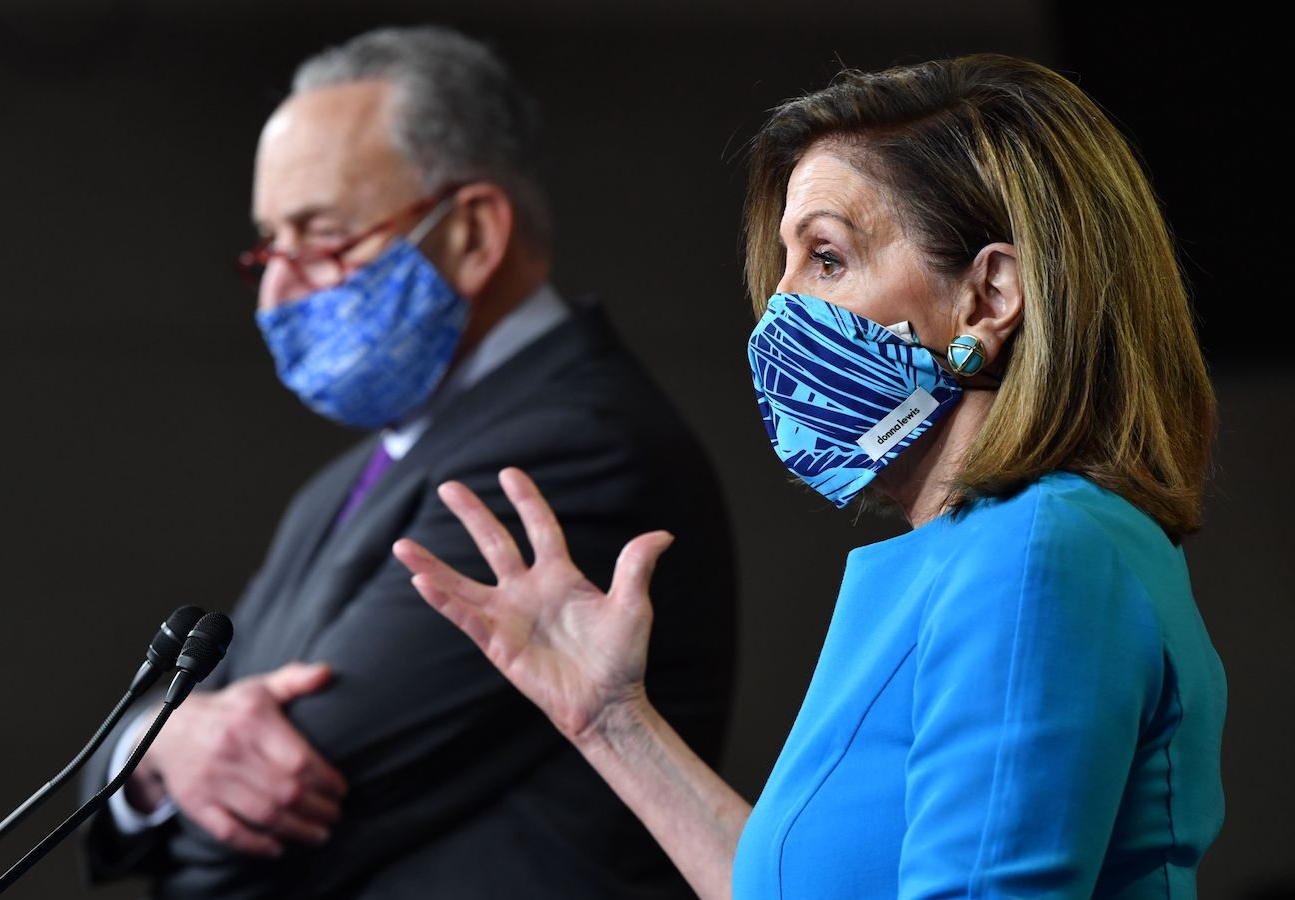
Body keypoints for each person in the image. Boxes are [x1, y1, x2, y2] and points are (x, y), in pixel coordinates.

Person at [394, 53, 1226, 899]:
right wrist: (613, 722)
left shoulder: (1035, 554)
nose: (777, 307)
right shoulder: (967, 555)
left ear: (989, 297)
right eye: (783, 264)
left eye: (825, 258)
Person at [80, 25, 740, 900]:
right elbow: (144, 758)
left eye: (320, 237)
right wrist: (159, 746)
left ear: (471, 234)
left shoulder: (571, 448)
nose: (278, 293)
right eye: (266, 246)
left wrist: (173, 757)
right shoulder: (348, 480)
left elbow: (265, 820)